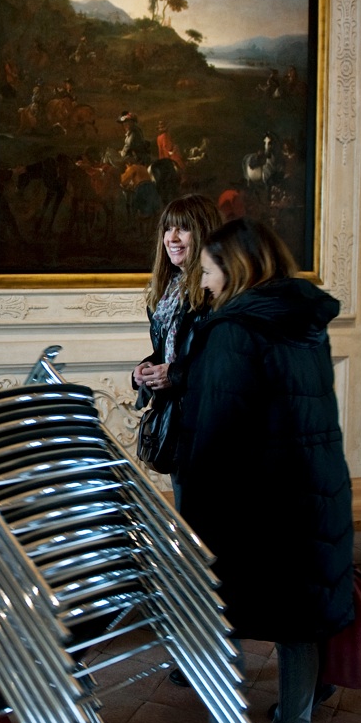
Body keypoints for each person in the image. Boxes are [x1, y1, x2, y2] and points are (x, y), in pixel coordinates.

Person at [177, 218, 355, 723]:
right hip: (313, 491)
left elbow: (219, 431)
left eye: (207, 272)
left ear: (233, 269)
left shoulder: (233, 330)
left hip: (251, 502)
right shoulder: (306, 320)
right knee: (298, 620)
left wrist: (196, 517)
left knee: (217, 615)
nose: (203, 285)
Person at [131, 194, 222, 688]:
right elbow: (169, 350)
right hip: (178, 423)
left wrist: (177, 375)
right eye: (168, 229)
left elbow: (217, 362)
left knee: (201, 542)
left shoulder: (211, 292)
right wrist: (144, 371)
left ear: (203, 234)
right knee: (191, 540)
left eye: (184, 229)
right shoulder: (165, 292)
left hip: (205, 428)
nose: (173, 238)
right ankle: (200, 649)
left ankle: (207, 652)